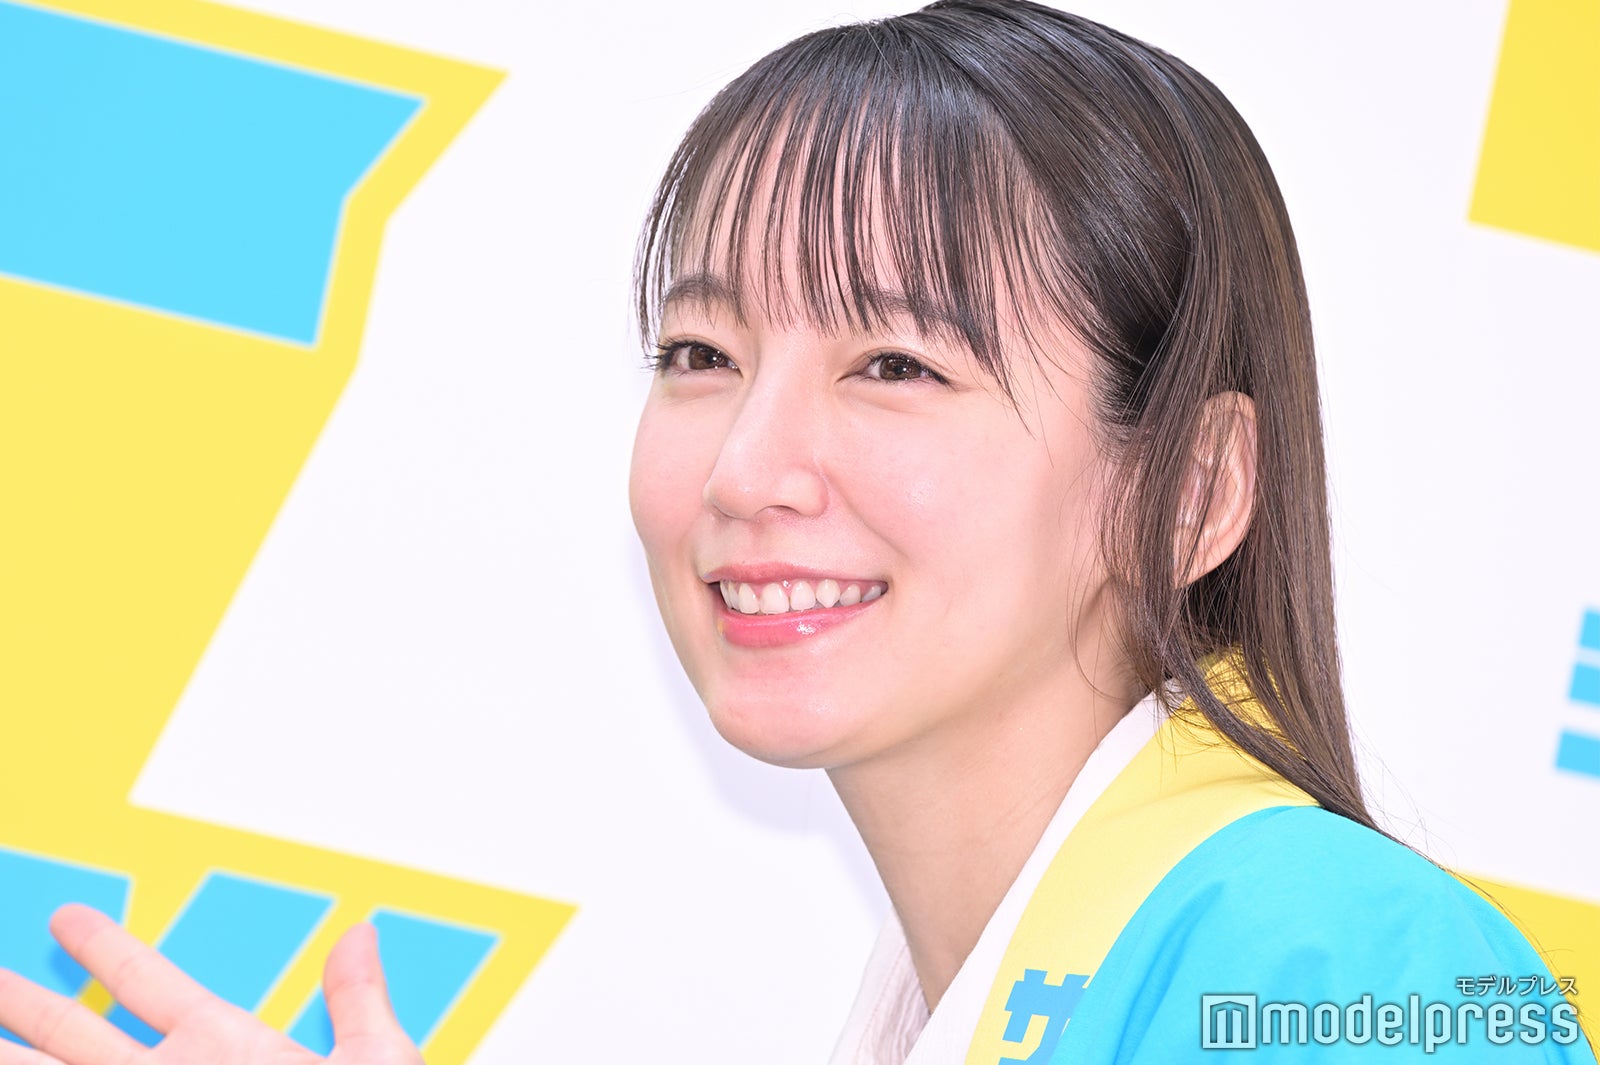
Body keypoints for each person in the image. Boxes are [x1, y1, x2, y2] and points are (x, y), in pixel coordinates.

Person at [0, 2, 1591, 1063]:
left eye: (895, 364)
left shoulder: (1339, 977)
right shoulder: (973, 992)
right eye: (700, 352)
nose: (747, 466)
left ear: (1191, 490)